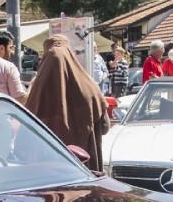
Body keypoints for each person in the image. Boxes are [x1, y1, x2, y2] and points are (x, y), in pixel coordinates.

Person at [24, 35, 109, 171]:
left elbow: (24, 140)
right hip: (85, 171)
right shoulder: (91, 88)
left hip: (48, 176)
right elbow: (105, 127)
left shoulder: (37, 95)